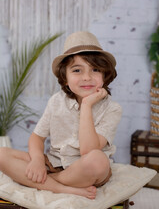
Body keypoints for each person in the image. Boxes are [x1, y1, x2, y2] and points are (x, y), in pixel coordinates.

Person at [0, 31, 122, 199]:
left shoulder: (112, 109)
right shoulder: (56, 101)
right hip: (54, 163)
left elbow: (88, 150)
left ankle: (47, 182)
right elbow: (37, 137)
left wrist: (86, 105)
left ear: (104, 75)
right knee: (2, 154)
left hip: (85, 169)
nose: (87, 77)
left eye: (95, 70)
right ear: (65, 78)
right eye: (77, 70)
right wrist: (37, 161)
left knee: (97, 159)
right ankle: (64, 188)